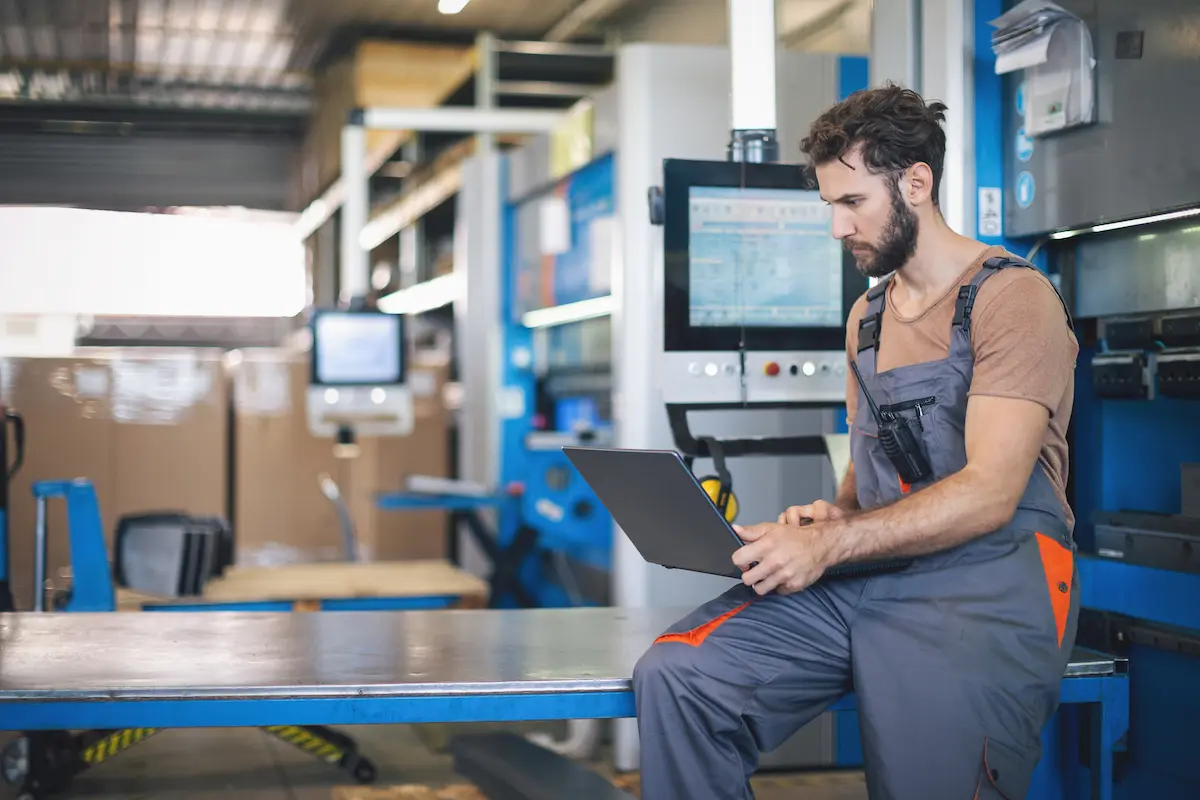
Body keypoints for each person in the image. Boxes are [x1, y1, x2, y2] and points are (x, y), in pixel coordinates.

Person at [632, 84, 1080, 800]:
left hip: (990, 588)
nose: (837, 228)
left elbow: (993, 492)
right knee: (681, 677)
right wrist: (834, 518)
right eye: (829, 207)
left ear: (916, 182)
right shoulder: (867, 316)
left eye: (852, 203)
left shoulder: (1011, 300)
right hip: (874, 579)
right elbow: (867, 477)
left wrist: (834, 547)